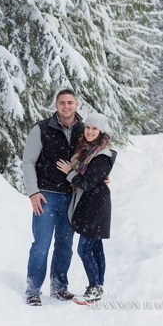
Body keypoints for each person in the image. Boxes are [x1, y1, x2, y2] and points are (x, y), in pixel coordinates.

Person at [22, 89, 84, 306]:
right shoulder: (41, 129)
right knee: (41, 244)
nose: (66, 106)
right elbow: (28, 161)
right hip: (46, 195)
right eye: (62, 103)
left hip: (72, 196)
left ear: (76, 104)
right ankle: (33, 290)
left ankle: (59, 287)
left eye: (69, 102)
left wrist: (103, 177)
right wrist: (33, 192)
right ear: (56, 105)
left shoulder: (84, 130)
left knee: (65, 245)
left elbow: (95, 157)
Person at [56, 112, 116, 303]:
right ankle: (98, 286)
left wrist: (69, 172)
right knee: (96, 247)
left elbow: (87, 183)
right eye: (88, 127)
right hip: (91, 204)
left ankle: (94, 288)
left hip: (96, 207)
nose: (90, 131)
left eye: (95, 128)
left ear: (102, 131)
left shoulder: (101, 155)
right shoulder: (88, 150)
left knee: (85, 249)